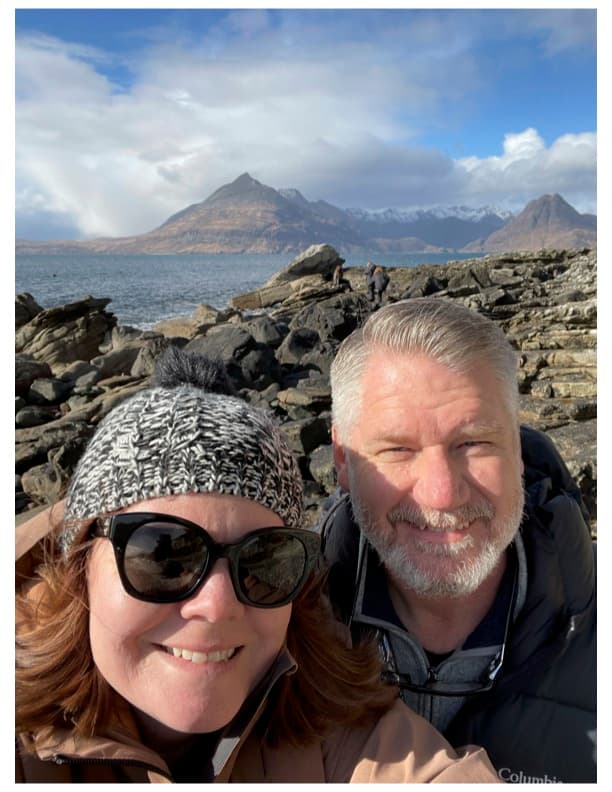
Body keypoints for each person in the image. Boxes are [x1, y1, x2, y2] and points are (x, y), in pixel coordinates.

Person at [16, 347, 500, 783]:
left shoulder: (328, 718)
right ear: (79, 564)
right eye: (164, 554)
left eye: (263, 559)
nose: (217, 604)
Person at [320, 297, 596, 783]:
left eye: (472, 443)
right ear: (343, 460)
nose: (442, 494)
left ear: (516, 443)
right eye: (398, 449)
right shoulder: (272, 641)